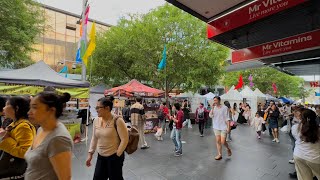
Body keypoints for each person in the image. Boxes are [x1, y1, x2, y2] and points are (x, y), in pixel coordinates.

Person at [25, 92, 73, 180]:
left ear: (51, 110)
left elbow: (65, 178)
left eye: (35, 107)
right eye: (30, 107)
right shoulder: (41, 129)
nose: (29, 112)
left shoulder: (58, 139)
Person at [86, 97, 129, 180]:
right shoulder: (96, 120)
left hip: (114, 156)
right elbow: (94, 137)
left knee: (115, 178)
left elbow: (125, 139)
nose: (96, 110)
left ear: (107, 108)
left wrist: (117, 155)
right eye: (96, 107)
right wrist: (90, 154)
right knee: (98, 177)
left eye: (98, 107)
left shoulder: (118, 120)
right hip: (101, 156)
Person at [0, 96, 36, 179]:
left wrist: (6, 139)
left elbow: (25, 153)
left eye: (6, 105)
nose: (4, 108)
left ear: (16, 108)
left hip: (14, 173)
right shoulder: (15, 124)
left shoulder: (24, 126)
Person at [292, 109, 320, 180]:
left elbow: (296, 138)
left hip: (298, 155)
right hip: (315, 158)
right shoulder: (318, 130)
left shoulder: (295, 128)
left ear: (301, 118)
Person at [209, 96, 232, 160]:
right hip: (216, 127)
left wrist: (228, 127)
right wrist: (212, 108)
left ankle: (228, 148)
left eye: (216, 100)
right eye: (214, 100)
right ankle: (219, 154)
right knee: (218, 141)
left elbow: (227, 118)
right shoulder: (214, 108)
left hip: (223, 127)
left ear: (219, 100)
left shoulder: (225, 108)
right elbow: (210, 115)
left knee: (223, 141)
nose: (214, 102)